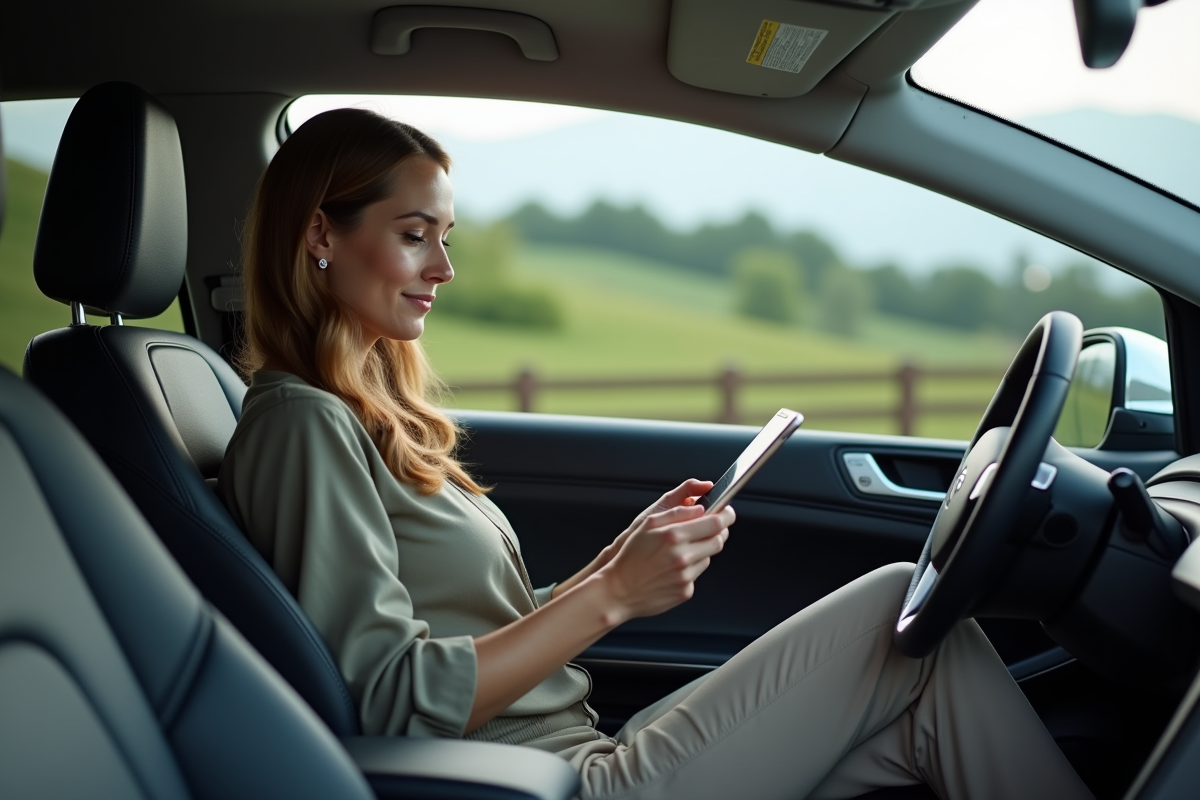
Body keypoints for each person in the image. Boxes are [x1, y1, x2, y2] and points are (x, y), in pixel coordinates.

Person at [218, 108, 1093, 800]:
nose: (444, 267)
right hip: (543, 782)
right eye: (415, 233)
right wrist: (608, 598)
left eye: (447, 235)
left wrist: (611, 568)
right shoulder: (301, 426)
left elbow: (469, 626)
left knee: (925, 698)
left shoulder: (364, 417)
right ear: (320, 236)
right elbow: (389, 698)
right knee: (902, 609)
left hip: (576, 751)